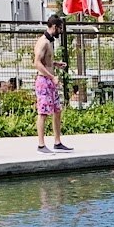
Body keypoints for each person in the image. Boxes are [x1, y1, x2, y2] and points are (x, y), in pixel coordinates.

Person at [33, 14, 71, 153]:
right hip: (44, 80)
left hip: (50, 80)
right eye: (59, 28)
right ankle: (41, 145)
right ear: (54, 27)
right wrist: (51, 76)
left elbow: (45, 61)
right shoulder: (43, 42)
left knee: (57, 110)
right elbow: (36, 63)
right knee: (43, 113)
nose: (60, 31)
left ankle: (57, 141)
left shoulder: (49, 42)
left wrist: (55, 64)